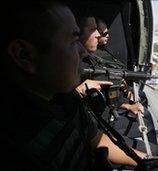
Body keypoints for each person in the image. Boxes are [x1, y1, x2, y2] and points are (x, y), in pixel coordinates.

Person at [0, 1, 146, 170]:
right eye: (72, 40)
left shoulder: (66, 98)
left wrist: (149, 161)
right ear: (25, 55)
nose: (82, 51)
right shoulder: (19, 141)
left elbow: (98, 140)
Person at [76, 14, 158, 155]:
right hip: (101, 128)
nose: (98, 35)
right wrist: (78, 91)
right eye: (93, 30)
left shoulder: (91, 60)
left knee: (148, 123)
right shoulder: (78, 69)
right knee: (154, 149)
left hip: (105, 119)